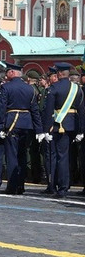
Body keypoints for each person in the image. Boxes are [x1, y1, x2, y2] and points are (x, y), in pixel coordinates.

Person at [0, 62, 43, 195]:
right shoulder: (30, 89)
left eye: (7, 72)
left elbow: (2, 108)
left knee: (11, 156)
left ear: (12, 73)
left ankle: (12, 186)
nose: (6, 74)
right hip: (26, 124)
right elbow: (35, 110)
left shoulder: (6, 87)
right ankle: (21, 185)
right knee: (22, 155)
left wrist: (0, 126)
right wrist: (39, 129)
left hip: (12, 123)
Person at [43, 62, 84, 198]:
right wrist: (81, 130)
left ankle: (60, 187)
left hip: (58, 125)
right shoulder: (76, 88)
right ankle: (65, 185)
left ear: (59, 74)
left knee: (59, 157)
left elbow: (48, 110)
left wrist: (46, 130)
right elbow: (82, 110)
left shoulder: (54, 88)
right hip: (73, 125)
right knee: (67, 157)